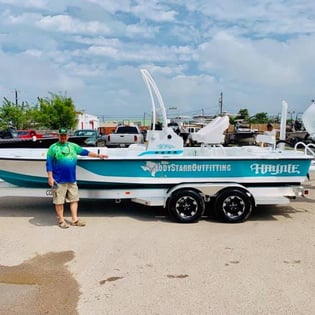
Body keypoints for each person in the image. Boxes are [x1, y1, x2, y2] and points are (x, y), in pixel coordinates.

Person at [46, 127, 108, 229]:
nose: (63, 137)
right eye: (61, 135)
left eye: (65, 135)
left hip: (72, 180)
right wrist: (50, 177)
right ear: (58, 136)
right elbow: (49, 164)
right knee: (59, 201)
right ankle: (61, 221)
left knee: (74, 199)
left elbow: (85, 152)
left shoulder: (73, 146)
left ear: (68, 136)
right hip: (58, 180)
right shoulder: (53, 148)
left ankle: (74, 220)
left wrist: (98, 156)